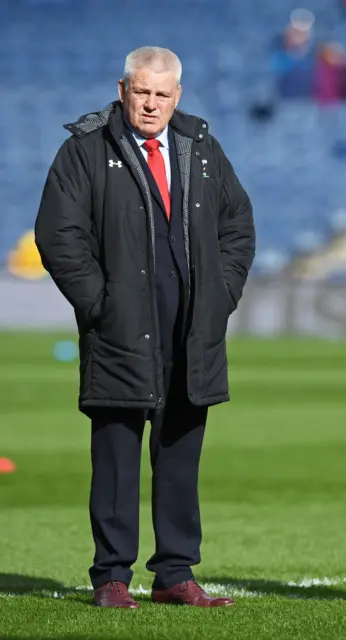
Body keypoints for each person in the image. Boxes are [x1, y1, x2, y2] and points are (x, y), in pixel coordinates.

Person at [35, 46, 255, 609]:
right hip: (120, 330)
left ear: (177, 95)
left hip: (190, 332)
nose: (151, 103)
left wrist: (219, 297)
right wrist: (101, 304)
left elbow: (238, 227)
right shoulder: (85, 150)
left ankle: (175, 574)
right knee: (114, 457)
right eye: (142, 92)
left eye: (162, 93)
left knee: (180, 456)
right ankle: (111, 577)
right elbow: (60, 235)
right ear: (123, 90)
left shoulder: (201, 148)